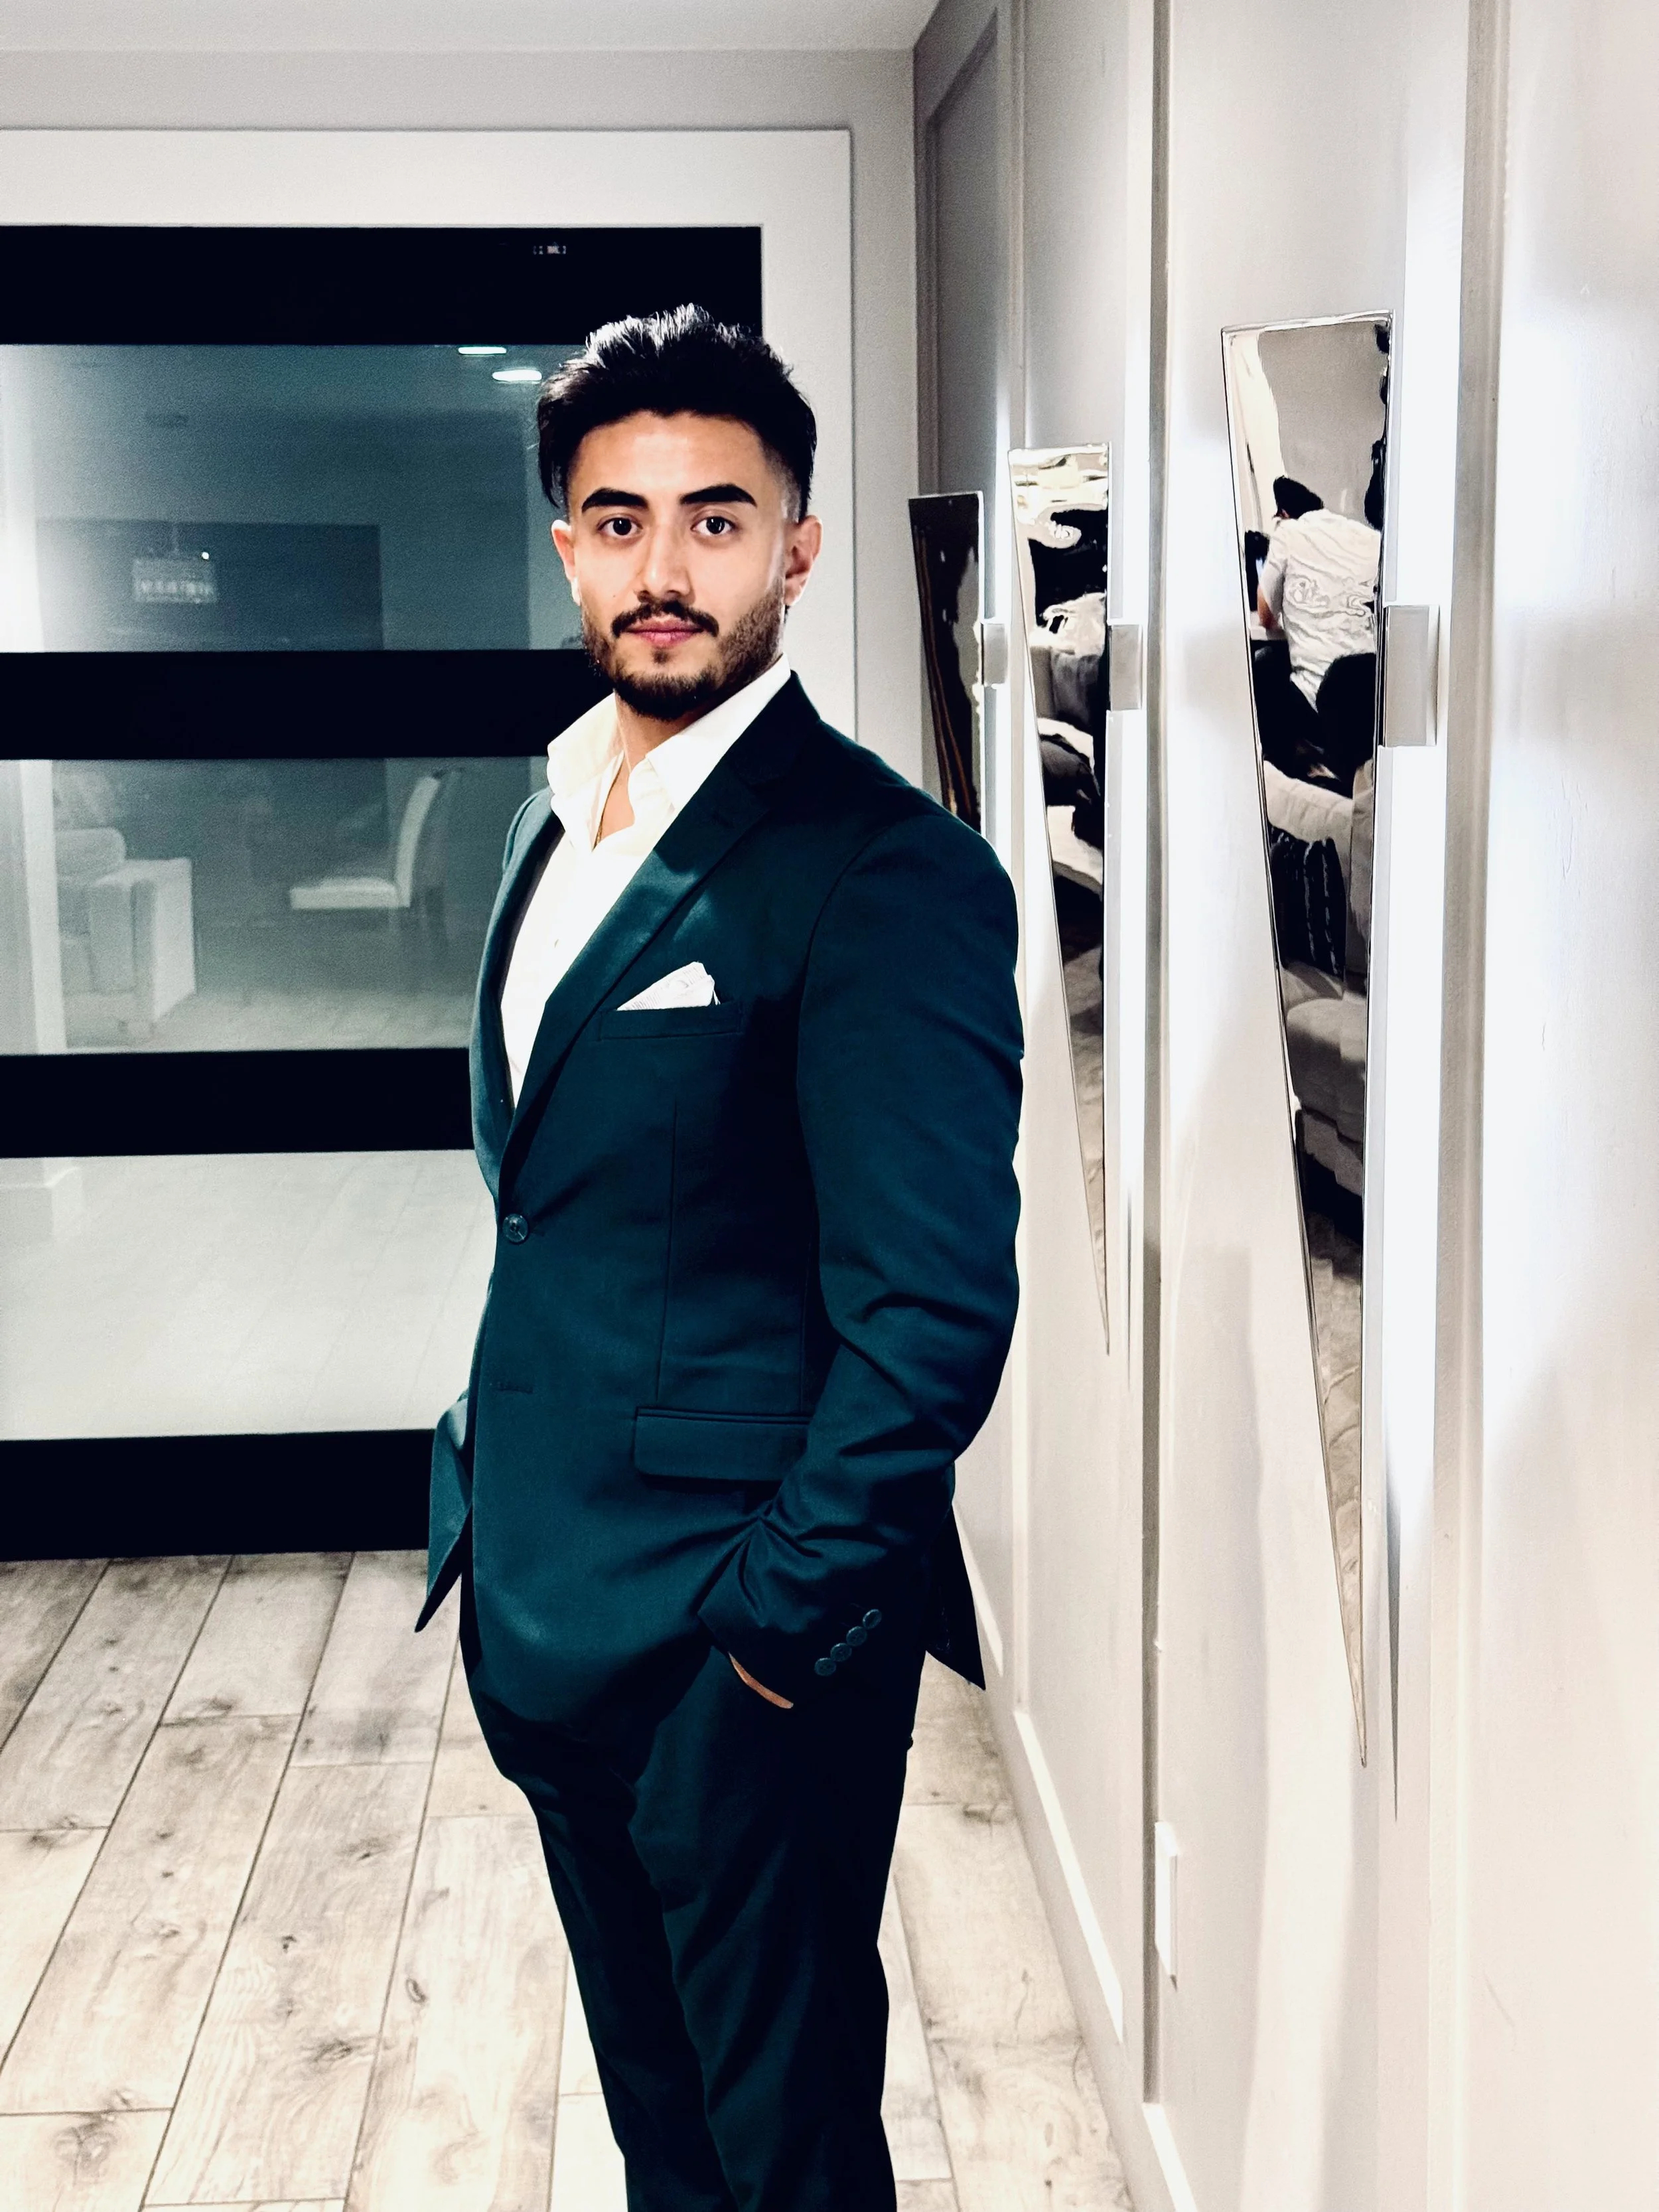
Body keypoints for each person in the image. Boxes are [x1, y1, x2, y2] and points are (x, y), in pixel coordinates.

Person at [415, 305, 1023, 2212]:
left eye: (714, 517)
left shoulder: (883, 869)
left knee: (787, 2145)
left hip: (737, 1654)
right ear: (567, 546)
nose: (663, 566)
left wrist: (769, 1635)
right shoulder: (549, 820)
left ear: (796, 546)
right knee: (662, 2126)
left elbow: (931, 1313)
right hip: (544, 1599)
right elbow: (558, 1202)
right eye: (619, 520)